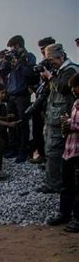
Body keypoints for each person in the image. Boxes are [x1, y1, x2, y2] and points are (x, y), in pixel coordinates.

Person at [37, 44, 79, 194]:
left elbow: (63, 88)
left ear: (61, 56)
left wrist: (50, 77)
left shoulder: (71, 70)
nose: (50, 63)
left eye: (51, 60)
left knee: (54, 152)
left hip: (63, 118)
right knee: (53, 152)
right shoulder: (60, 71)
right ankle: (57, 182)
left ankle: (54, 184)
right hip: (55, 117)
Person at [1, 35, 37, 163]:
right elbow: (2, 73)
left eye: (12, 47)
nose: (11, 50)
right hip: (11, 95)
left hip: (22, 95)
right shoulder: (11, 59)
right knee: (11, 122)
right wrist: (6, 61)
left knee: (23, 124)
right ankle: (13, 148)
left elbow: (30, 73)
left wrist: (19, 62)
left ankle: (23, 150)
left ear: (19, 46)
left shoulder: (29, 56)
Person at [51, 73, 79, 232]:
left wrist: (71, 126)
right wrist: (66, 123)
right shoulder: (75, 103)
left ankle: (77, 218)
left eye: (76, 86)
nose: (74, 90)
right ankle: (65, 214)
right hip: (69, 149)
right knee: (67, 185)